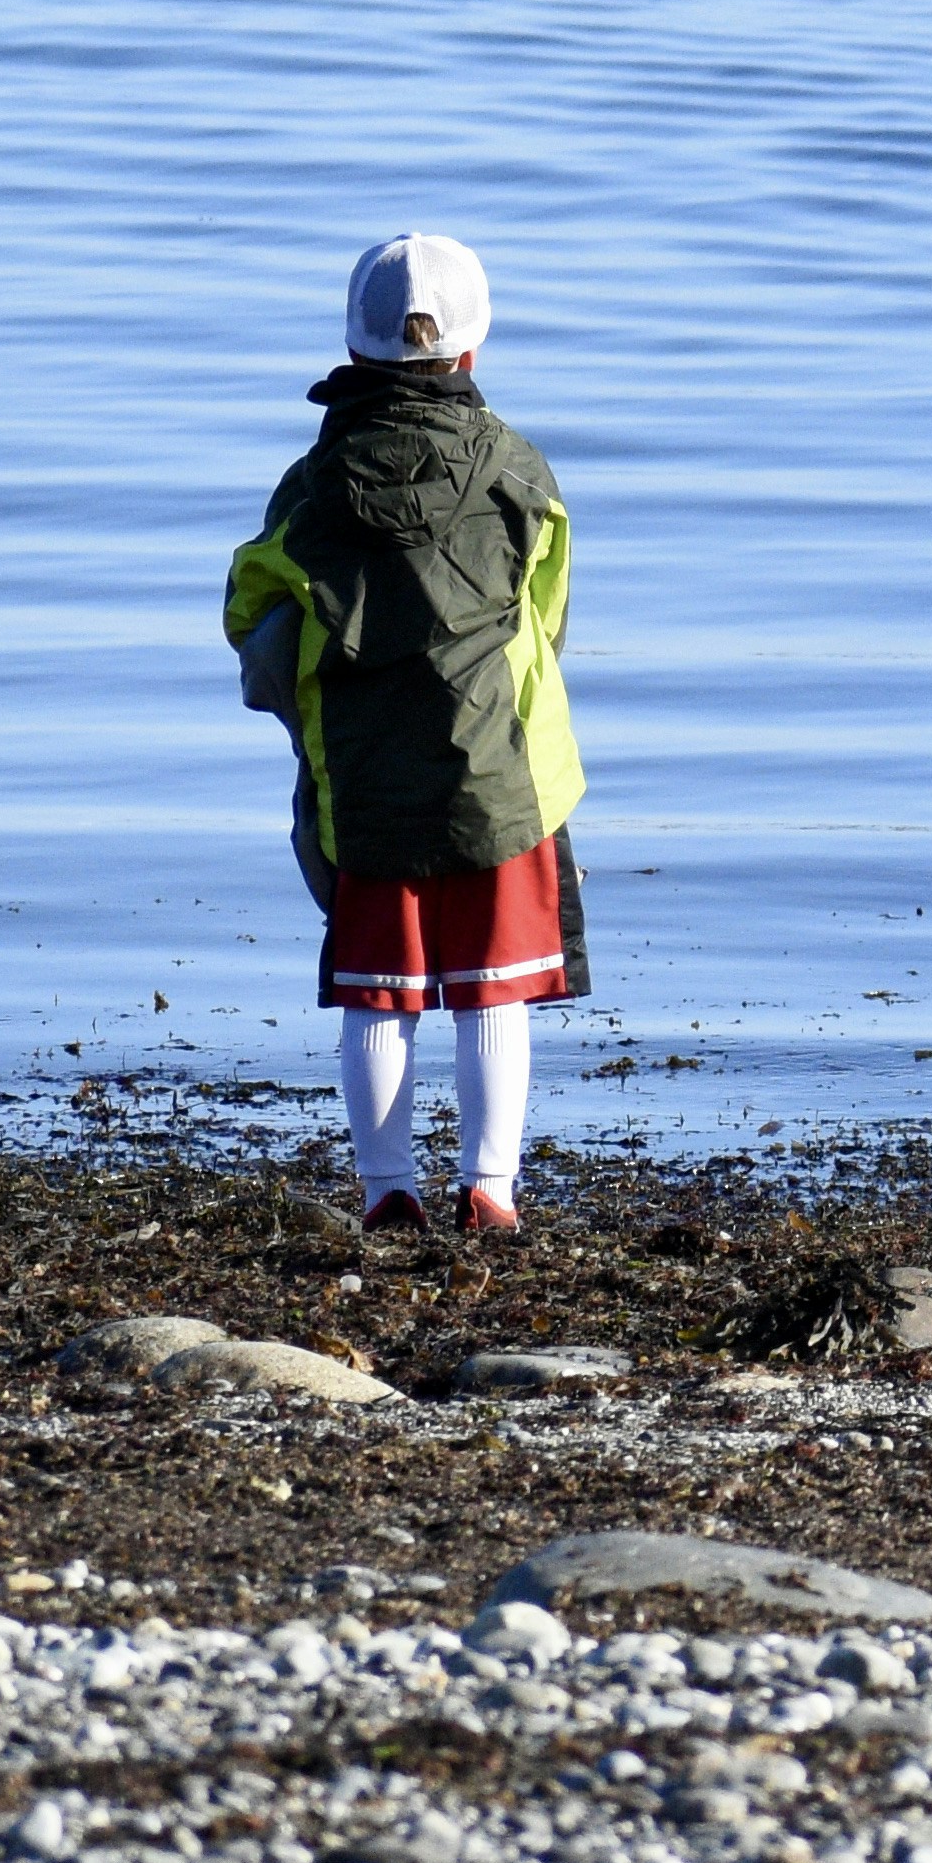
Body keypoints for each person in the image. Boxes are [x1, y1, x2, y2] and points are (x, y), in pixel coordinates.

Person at [225, 231, 587, 1235]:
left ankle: (388, 1190)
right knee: (493, 993)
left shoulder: (313, 484)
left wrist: (294, 678)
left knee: (377, 996)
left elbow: (252, 601)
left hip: (364, 775)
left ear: (354, 347)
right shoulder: (517, 468)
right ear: (469, 354)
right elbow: (547, 603)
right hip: (496, 775)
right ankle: (492, 1189)